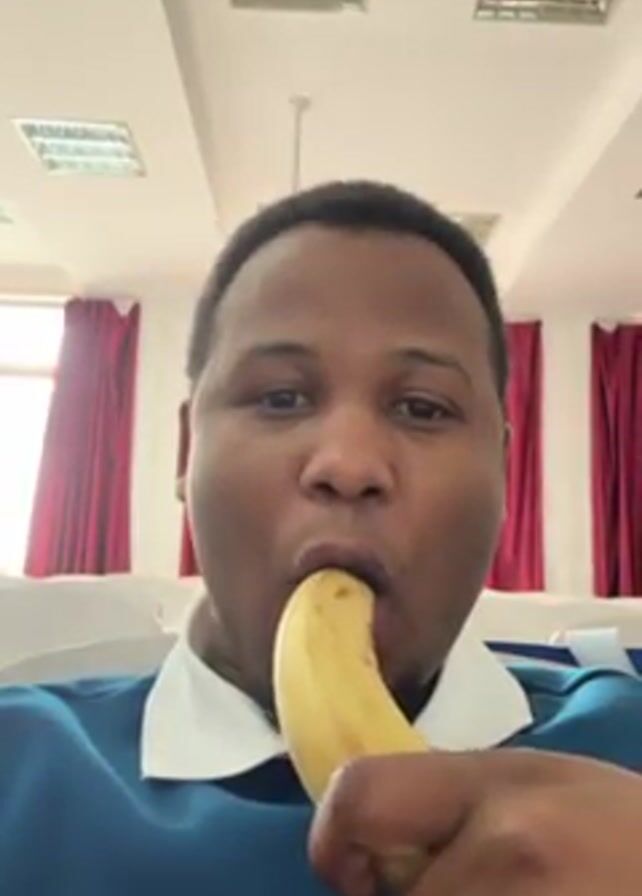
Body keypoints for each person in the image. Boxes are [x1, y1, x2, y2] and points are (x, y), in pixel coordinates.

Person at [1, 181, 641, 896]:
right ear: (186, 451)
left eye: (422, 408)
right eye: (281, 398)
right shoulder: (18, 767)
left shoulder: (626, 735)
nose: (349, 464)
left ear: (502, 468)